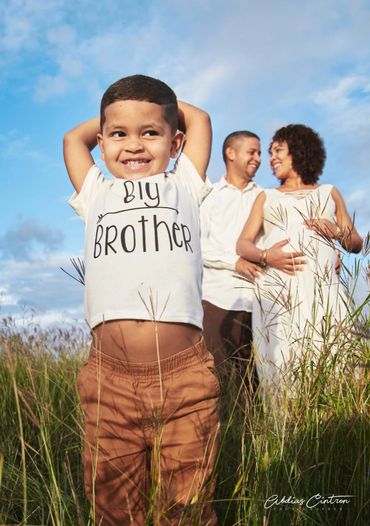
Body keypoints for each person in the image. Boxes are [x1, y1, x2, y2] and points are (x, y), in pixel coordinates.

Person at [64, 74, 219, 525]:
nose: (133, 145)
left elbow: (202, 118)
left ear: (176, 143)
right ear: (102, 139)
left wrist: (161, 107)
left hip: (184, 376)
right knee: (113, 509)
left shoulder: (184, 184)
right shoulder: (96, 193)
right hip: (108, 380)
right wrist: (123, 110)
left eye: (150, 133)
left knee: (187, 508)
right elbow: (72, 138)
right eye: (118, 135)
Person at [236, 124, 363, 397]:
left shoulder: (328, 192)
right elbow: (243, 244)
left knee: (336, 362)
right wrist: (268, 256)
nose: (271, 158)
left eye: (277, 150)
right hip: (280, 296)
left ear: (299, 151)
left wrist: (337, 231)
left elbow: (356, 243)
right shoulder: (266, 197)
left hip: (324, 294)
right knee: (283, 369)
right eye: (270, 152)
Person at [200, 131, 264, 381]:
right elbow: (198, 244)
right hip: (218, 300)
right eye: (252, 152)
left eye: (259, 153)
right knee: (220, 382)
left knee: (258, 384)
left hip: (260, 301)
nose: (258, 158)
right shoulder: (209, 196)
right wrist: (235, 261)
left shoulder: (266, 198)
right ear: (231, 153)